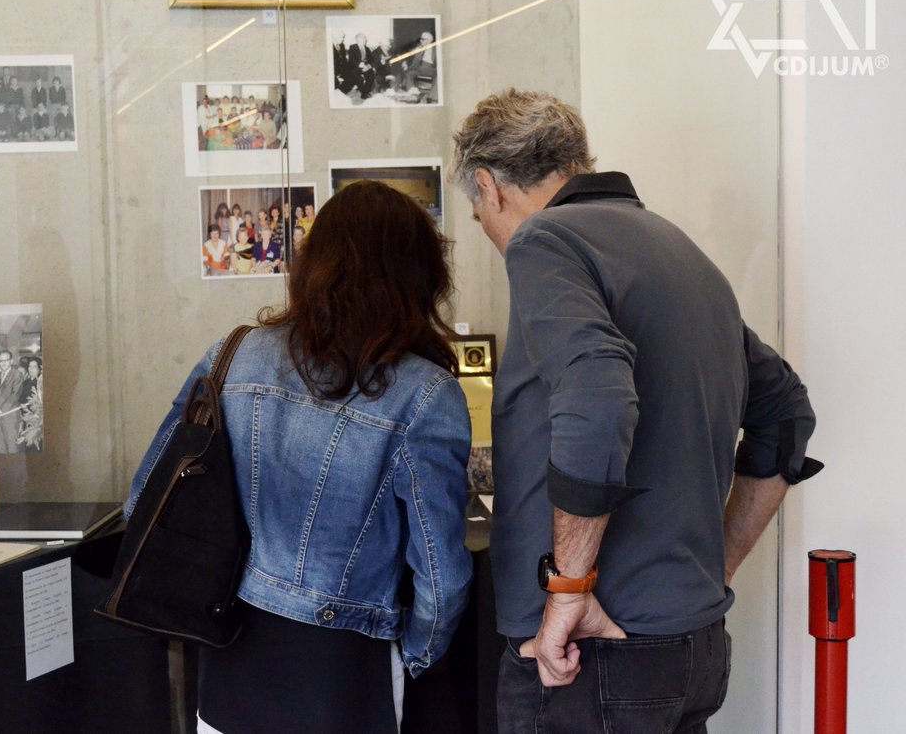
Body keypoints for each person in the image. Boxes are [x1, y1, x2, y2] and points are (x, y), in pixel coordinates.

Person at [451, 89, 821, 732]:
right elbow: (784, 414)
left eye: (479, 211)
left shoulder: (544, 243)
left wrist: (568, 590)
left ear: (490, 187)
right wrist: (717, 562)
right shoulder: (675, 247)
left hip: (587, 656)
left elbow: (597, 397)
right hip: (691, 642)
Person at [128, 180, 472, 734]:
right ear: (420, 274)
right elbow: (441, 570)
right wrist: (418, 655)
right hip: (346, 668)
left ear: (313, 263)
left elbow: (145, 499)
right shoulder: (425, 394)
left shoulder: (233, 356)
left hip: (228, 648)